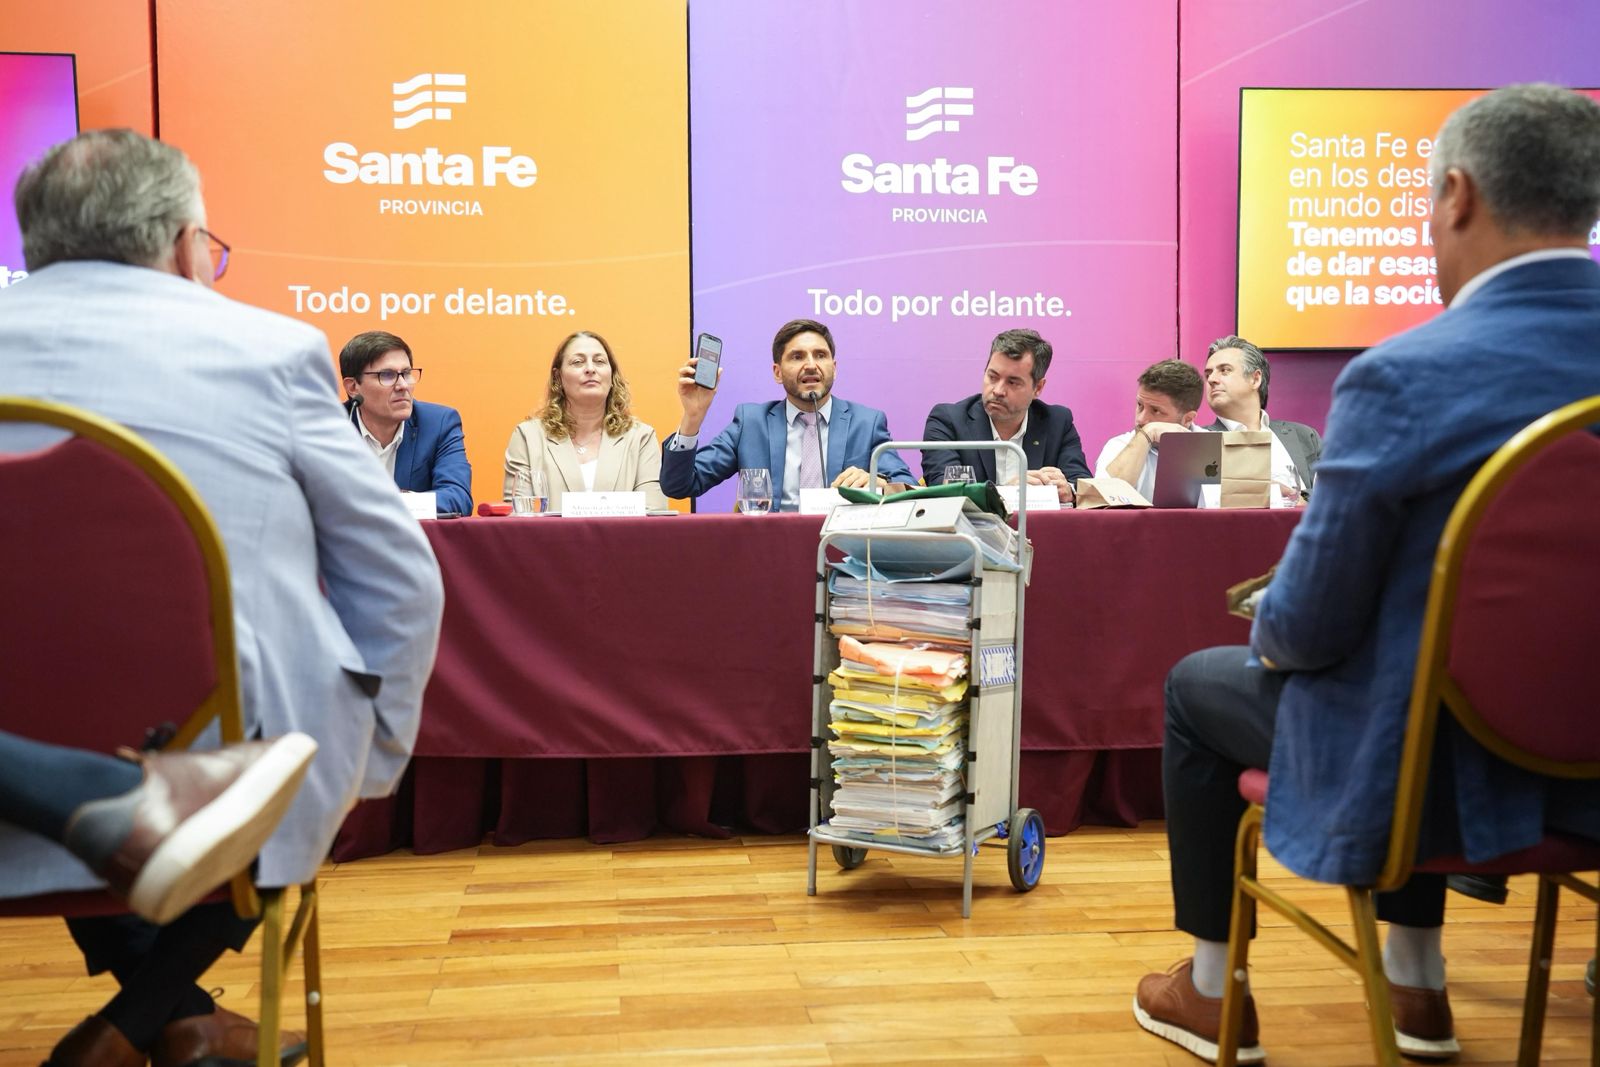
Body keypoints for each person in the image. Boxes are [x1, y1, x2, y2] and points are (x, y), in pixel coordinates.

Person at [1134, 83, 1600, 1064]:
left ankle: (1213, 991)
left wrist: (1275, 611)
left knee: (1198, 683)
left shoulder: (1404, 374)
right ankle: (1412, 974)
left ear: (1457, 195)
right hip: (1588, 774)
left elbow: (1307, 629)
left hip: (1433, 774)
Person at [0, 129, 444, 1067]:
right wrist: (374, 760)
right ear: (183, 246)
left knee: (65, 705)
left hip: (15, 766)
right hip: (221, 754)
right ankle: (143, 1023)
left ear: (36, 241)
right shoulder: (269, 350)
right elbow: (398, 577)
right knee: (291, 751)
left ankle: (165, 1015)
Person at [660, 318, 914, 510]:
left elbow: (907, 488)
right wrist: (692, 417)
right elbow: (679, 486)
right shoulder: (751, 423)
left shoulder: (866, 423)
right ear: (777, 372)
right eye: (797, 357)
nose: (811, 365)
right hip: (770, 553)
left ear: (834, 368)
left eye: (820, 355)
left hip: (843, 553)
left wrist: (878, 483)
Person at [502, 330, 668, 511]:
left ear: (612, 375)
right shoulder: (528, 437)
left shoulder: (640, 437)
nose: (590, 369)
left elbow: (654, 512)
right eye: (578, 362)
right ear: (558, 377)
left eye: (599, 361)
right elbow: (519, 516)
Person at [921, 328, 1091, 501]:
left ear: (1038, 388)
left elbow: (1082, 484)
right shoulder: (948, 421)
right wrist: (1008, 493)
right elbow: (945, 490)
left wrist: (1069, 490)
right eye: (992, 377)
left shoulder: (1057, 422)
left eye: (1012, 382)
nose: (998, 390)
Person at [339, 329, 473, 516]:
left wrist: (392, 503)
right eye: (387, 375)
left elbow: (458, 497)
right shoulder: (328, 429)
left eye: (407, 373)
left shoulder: (439, 423)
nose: (403, 385)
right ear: (353, 387)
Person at [1202, 335, 1322, 500]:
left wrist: (1300, 500)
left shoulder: (1304, 436)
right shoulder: (1199, 442)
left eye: (1224, 370)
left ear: (1255, 378)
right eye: (1208, 374)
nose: (1212, 380)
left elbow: (1336, 492)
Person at [1091, 359, 1204, 501]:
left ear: (1188, 419)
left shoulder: (1215, 448)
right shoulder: (1118, 446)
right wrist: (1148, 433)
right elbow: (1105, 500)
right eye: (1140, 405)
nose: (1141, 419)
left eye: (1156, 411)